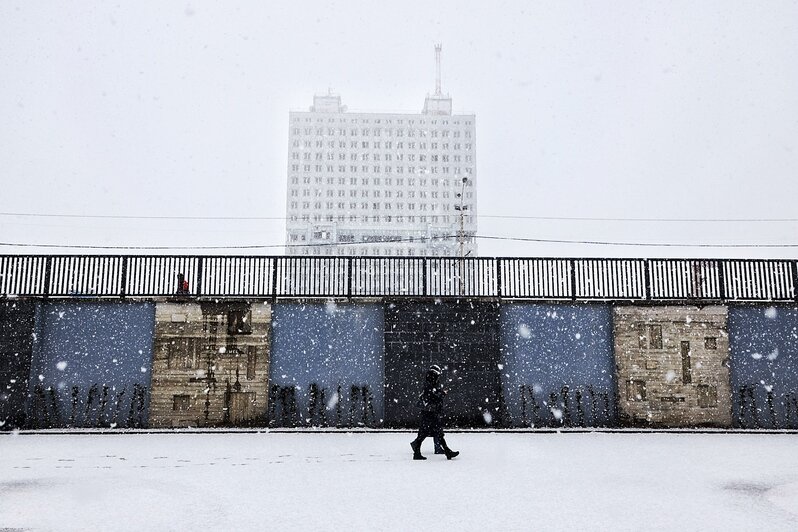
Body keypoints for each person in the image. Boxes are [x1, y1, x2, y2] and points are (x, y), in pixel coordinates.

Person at [410, 364, 459, 460]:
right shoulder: (430, 383)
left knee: (433, 432)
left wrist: (439, 393)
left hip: (429, 411)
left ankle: (446, 452)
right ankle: (446, 452)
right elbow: (432, 396)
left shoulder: (430, 382)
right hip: (430, 412)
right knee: (431, 433)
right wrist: (442, 394)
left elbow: (431, 394)